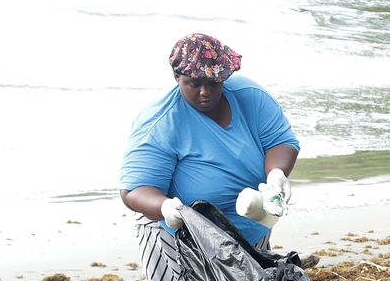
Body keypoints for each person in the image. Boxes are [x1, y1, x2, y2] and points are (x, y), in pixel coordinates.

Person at [119, 33, 299, 250]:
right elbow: (134, 190)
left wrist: (276, 172)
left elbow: (279, 140)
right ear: (177, 77)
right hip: (181, 239)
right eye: (194, 84)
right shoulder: (159, 124)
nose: (205, 92)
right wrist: (165, 207)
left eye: (213, 83)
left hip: (253, 228)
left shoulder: (250, 96)